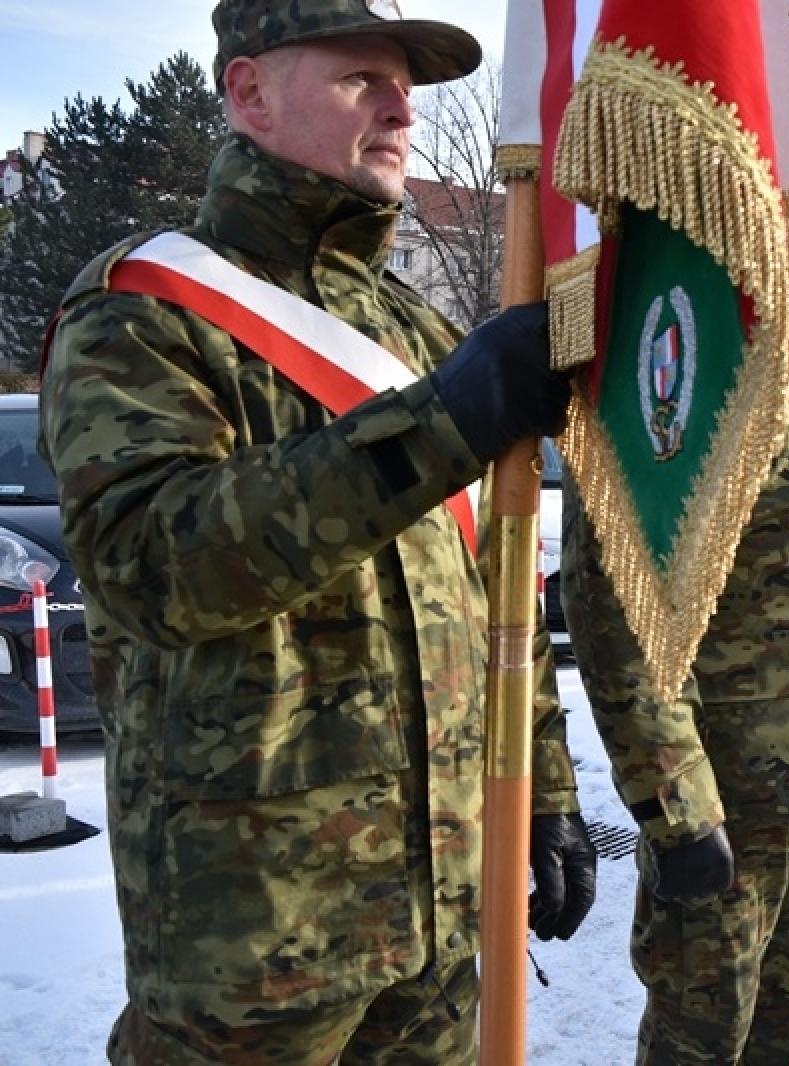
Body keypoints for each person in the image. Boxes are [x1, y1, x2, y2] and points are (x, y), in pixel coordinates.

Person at [38, 3, 594, 1062]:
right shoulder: (146, 307)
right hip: (253, 939)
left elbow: (496, 590)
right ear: (248, 93)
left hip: (436, 920)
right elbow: (152, 565)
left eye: (408, 85)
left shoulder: (416, 328)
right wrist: (440, 423)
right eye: (361, 79)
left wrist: (545, 792)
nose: (402, 108)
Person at [562, 280, 789, 1064]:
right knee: (702, 1033)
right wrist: (675, 797)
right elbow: (620, 602)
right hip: (725, 792)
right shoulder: (674, 338)